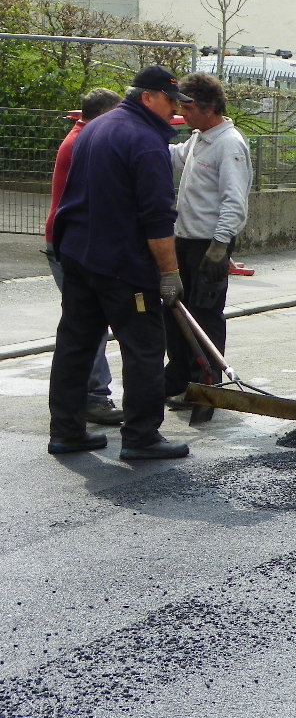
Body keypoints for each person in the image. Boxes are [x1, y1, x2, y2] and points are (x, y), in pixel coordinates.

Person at [47, 66, 192, 460]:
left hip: (79, 256)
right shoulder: (145, 141)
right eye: (170, 100)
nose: (175, 109)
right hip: (122, 266)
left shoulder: (94, 127)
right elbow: (157, 217)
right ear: (148, 97)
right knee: (144, 347)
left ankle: (66, 431)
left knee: (76, 345)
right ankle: (142, 437)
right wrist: (170, 273)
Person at [163, 73, 252, 409]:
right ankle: (180, 379)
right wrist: (144, 139)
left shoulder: (229, 144)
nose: (182, 114)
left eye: (188, 108)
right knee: (176, 314)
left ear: (209, 107)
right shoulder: (200, 138)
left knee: (204, 316)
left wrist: (219, 246)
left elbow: (234, 200)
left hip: (208, 245)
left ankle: (206, 386)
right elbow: (175, 157)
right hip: (184, 241)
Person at [43, 88, 124, 425]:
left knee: (84, 325)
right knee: (88, 326)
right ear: (104, 115)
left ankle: (81, 400)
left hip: (69, 240)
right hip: (72, 243)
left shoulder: (82, 137)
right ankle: (92, 397)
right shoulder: (84, 143)